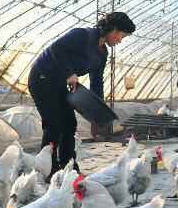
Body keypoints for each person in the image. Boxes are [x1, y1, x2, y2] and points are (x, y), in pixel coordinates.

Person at [29, 12, 135, 174]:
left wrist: (98, 109)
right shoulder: (82, 35)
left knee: (70, 124)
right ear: (113, 29)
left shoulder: (102, 54)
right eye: (122, 35)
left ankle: (69, 167)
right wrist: (69, 73)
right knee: (54, 124)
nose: (121, 40)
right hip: (42, 77)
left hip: (59, 83)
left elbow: (97, 81)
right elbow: (57, 49)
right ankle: (49, 169)